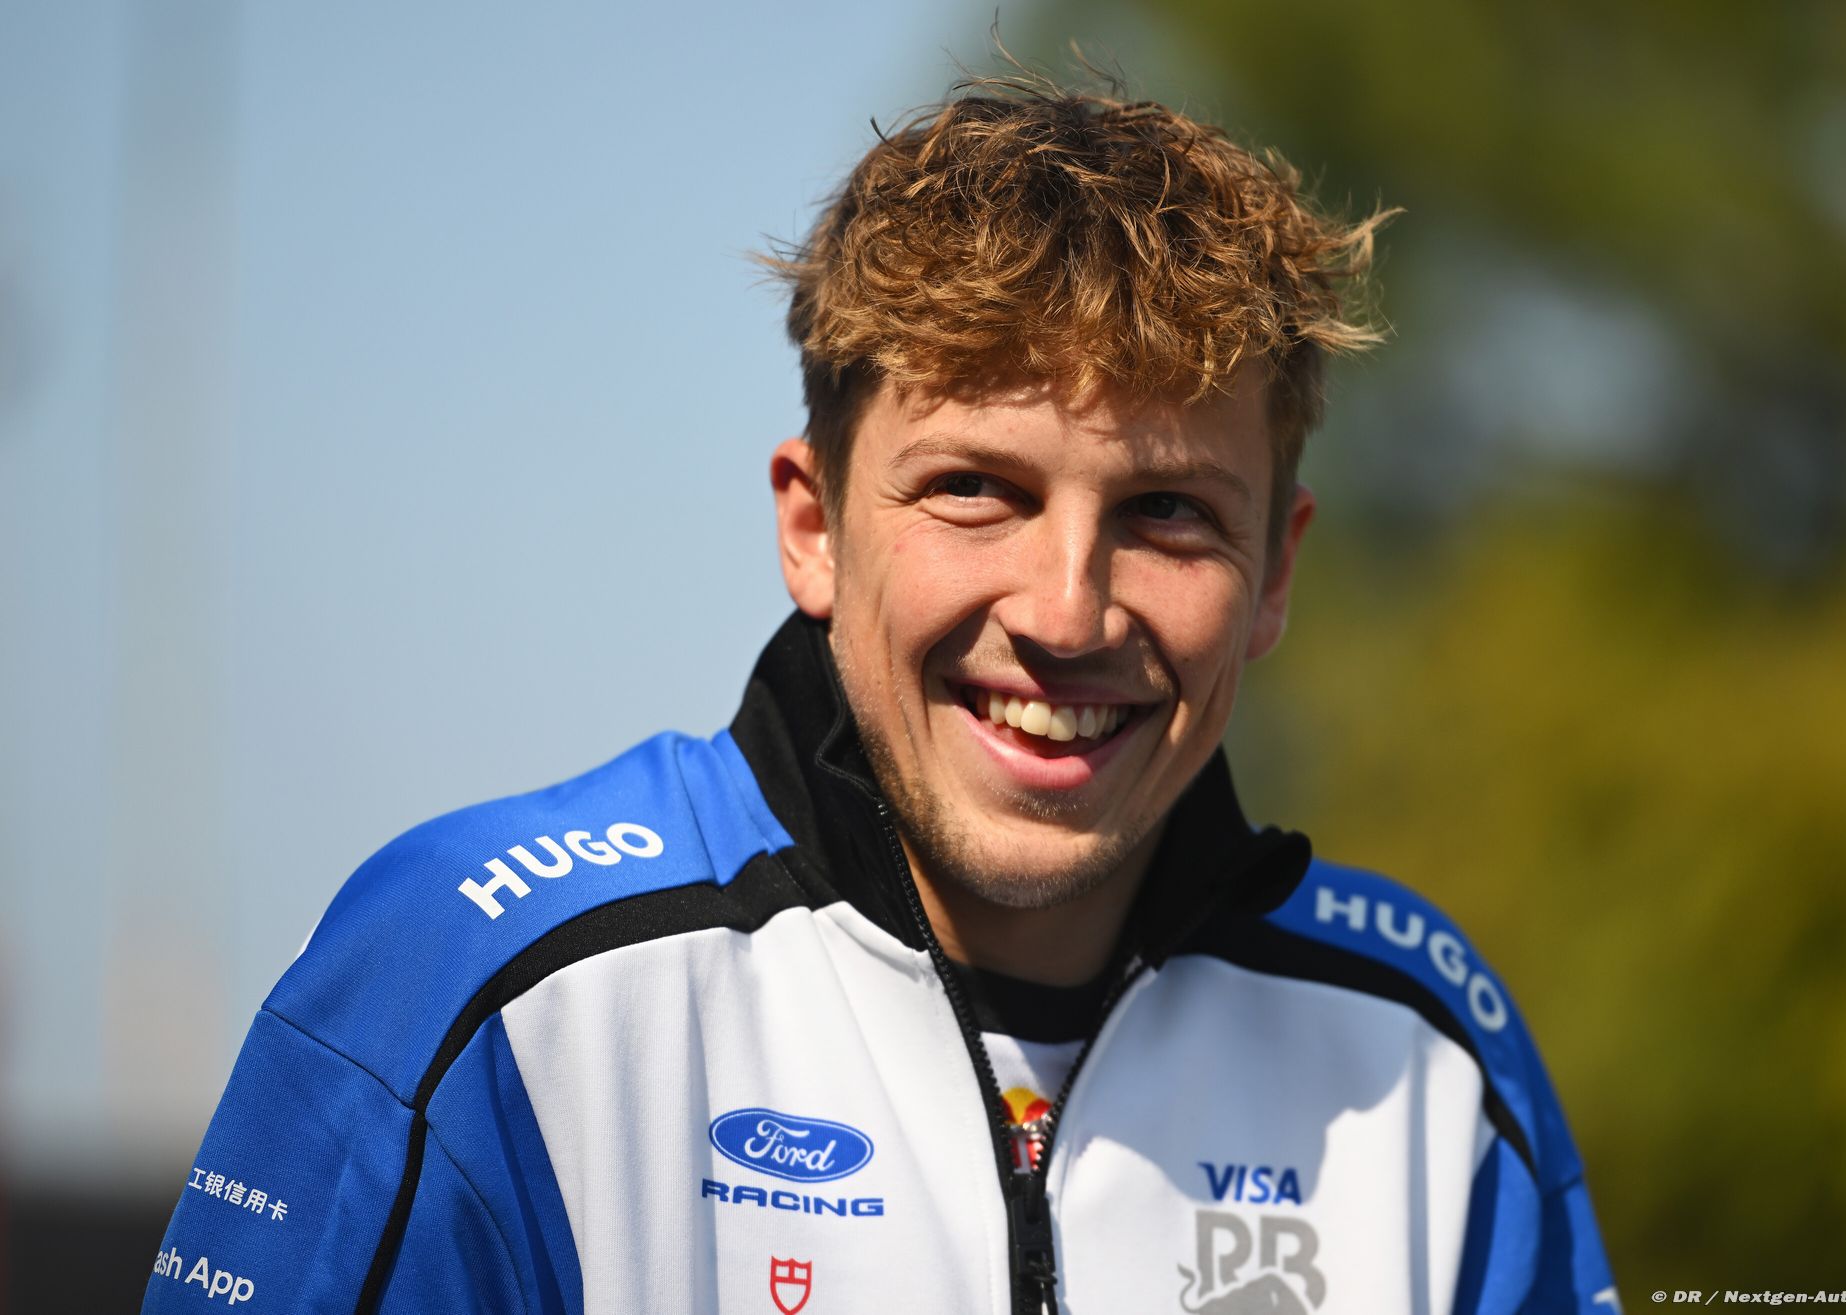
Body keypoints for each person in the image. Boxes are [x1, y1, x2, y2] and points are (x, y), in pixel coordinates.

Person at [143, 70, 1617, 1315]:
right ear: (814, 527)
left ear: (1276, 570)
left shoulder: (1427, 1055)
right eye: (975, 489)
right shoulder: (483, 992)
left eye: (1168, 512)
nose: (1065, 613)